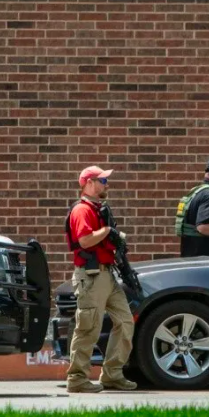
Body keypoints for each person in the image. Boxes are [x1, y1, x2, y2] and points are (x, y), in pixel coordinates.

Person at [63, 166, 136, 393]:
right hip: (91, 276)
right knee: (89, 328)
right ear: (89, 182)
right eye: (103, 180)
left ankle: (113, 374)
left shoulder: (98, 209)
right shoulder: (82, 210)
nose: (107, 184)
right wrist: (107, 231)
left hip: (107, 274)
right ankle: (77, 379)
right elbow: (85, 240)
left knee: (125, 322)